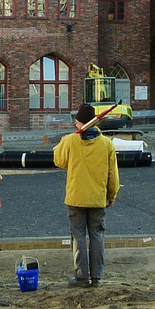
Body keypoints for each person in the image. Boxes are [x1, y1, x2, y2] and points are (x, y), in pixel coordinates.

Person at [52, 103, 118, 288]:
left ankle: (81, 277)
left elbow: (58, 161)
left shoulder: (71, 141)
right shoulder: (106, 143)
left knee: (78, 236)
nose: (75, 124)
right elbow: (113, 173)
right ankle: (96, 277)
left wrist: (62, 142)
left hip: (76, 198)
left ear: (81, 122)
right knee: (97, 236)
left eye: (77, 121)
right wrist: (112, 194)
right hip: (97, 198)